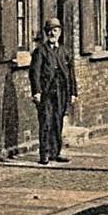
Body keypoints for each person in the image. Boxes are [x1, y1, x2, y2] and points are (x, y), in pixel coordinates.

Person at [29, 17, 77, 165]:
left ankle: (56, 152)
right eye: (49, 31)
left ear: (60, 32)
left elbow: (71, 73)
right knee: (46, 122)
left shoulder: (64, 51)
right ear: (46, 33)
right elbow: (34, 73)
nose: (52, 33)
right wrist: (36, 91)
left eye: (55, 31)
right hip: (46, 92)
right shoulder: (40, 51)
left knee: (57, 121)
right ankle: (44, 153)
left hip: (61, 91)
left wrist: (73, 93)